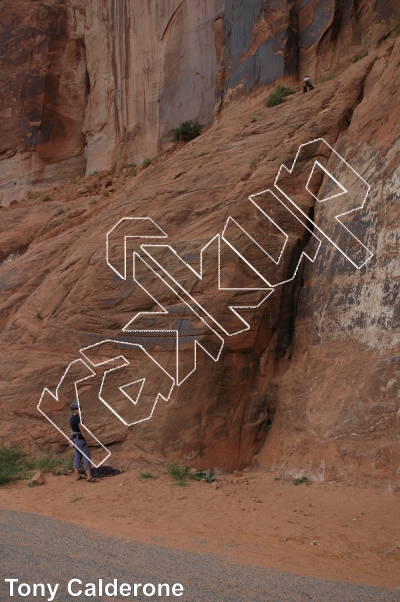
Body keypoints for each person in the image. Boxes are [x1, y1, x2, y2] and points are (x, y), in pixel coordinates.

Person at [70, 402, 98, 482]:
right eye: (79, 409)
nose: (80, 410)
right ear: (75, 410)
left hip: (75, 440)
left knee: (77, 456)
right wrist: (87, 440)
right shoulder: (78, 418)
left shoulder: (71, 418)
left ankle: (77, 475)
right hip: (80, 440)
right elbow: (82, 430)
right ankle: (89, 476)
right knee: (87, 456)